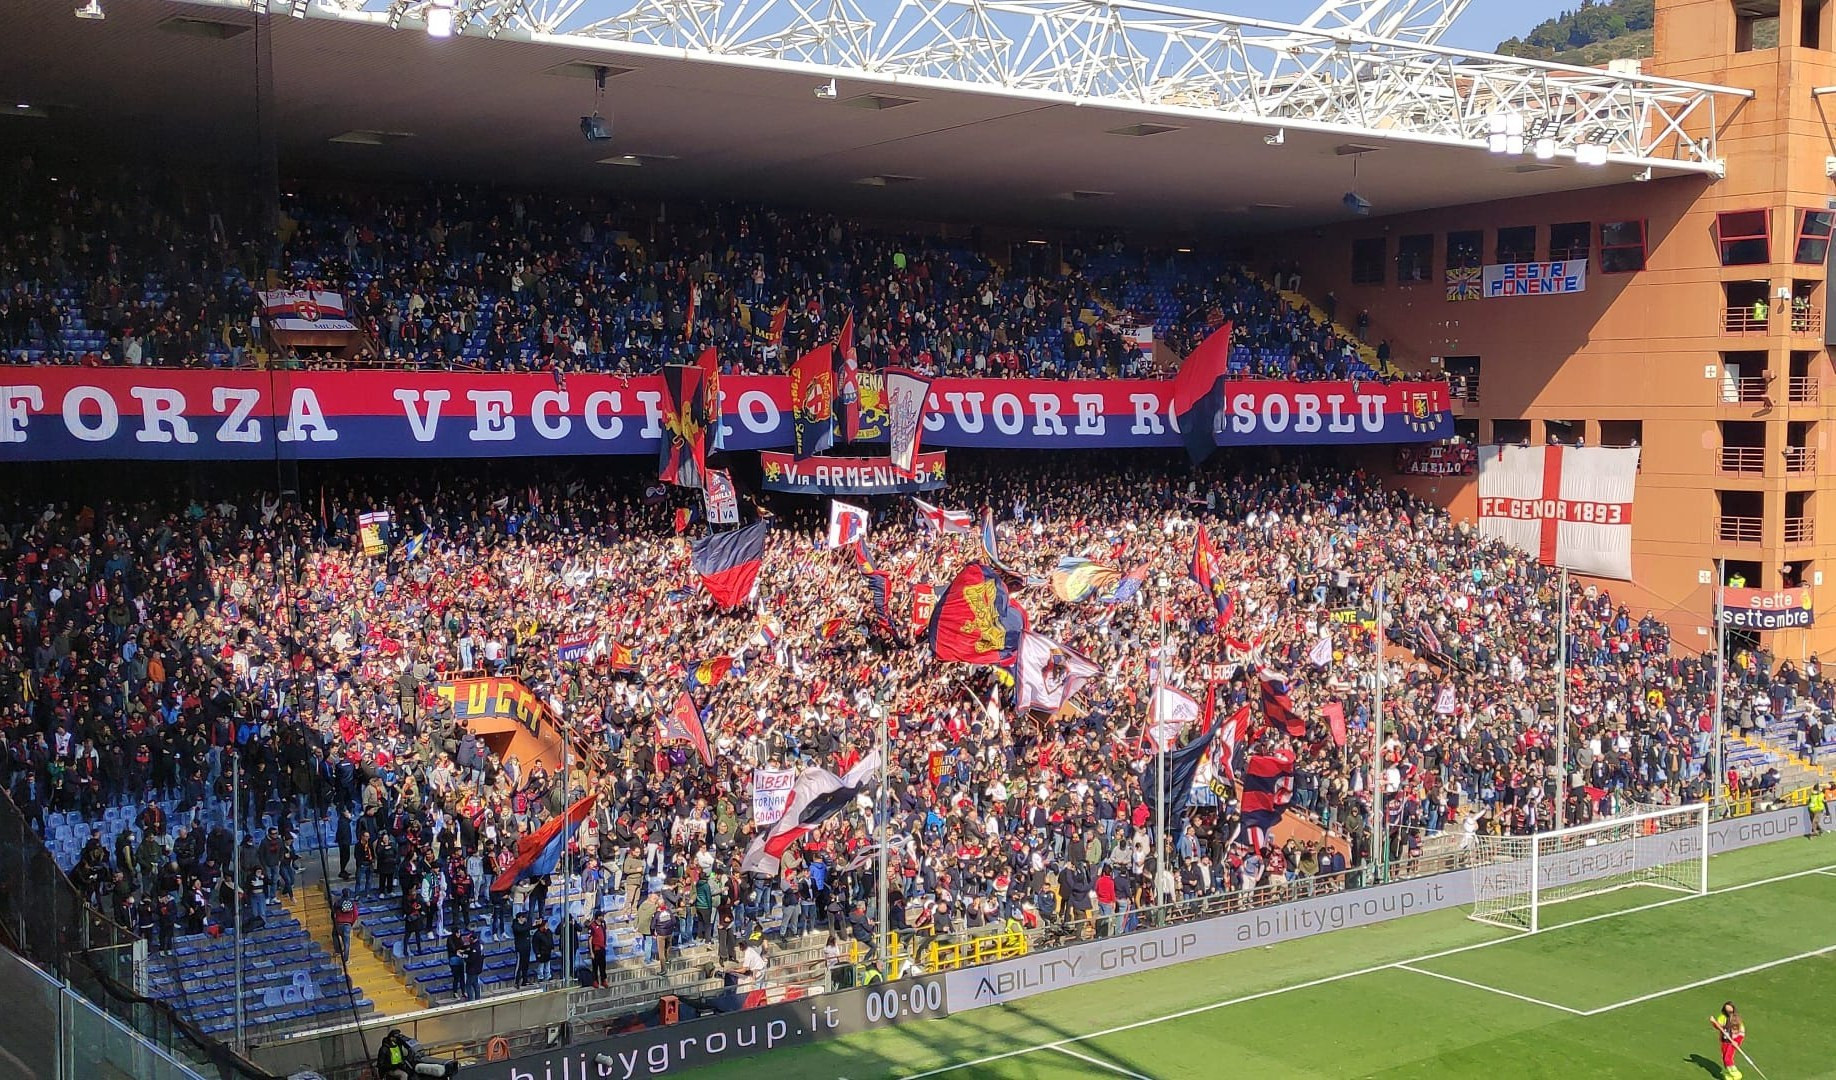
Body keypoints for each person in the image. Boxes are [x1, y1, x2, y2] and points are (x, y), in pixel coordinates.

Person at [1709, 1000, 1746, 1080]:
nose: (1728, 1012)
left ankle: (1736, 1074)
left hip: (1733, 1042)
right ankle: (1729, 1074)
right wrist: (1713, 1022)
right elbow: (1718, 1027)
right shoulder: (1722, 1017)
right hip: (1724, 1041)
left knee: (1727, 1058)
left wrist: (1737, 1041)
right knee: (1724, 1058)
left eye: (1730, 1011)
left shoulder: (1736, 1019)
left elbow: (1742, 1032)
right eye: (1727, 1010)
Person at [332, 889, 359, 963]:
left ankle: (337, 951)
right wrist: (351, 923)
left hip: (338, 923)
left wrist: (335, 922)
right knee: (346, 943)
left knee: (335, 935)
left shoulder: (337, 902)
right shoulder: (352, 903)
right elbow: (356, 914)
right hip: (347, 925)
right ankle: (346, 960)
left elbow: (333, 913)